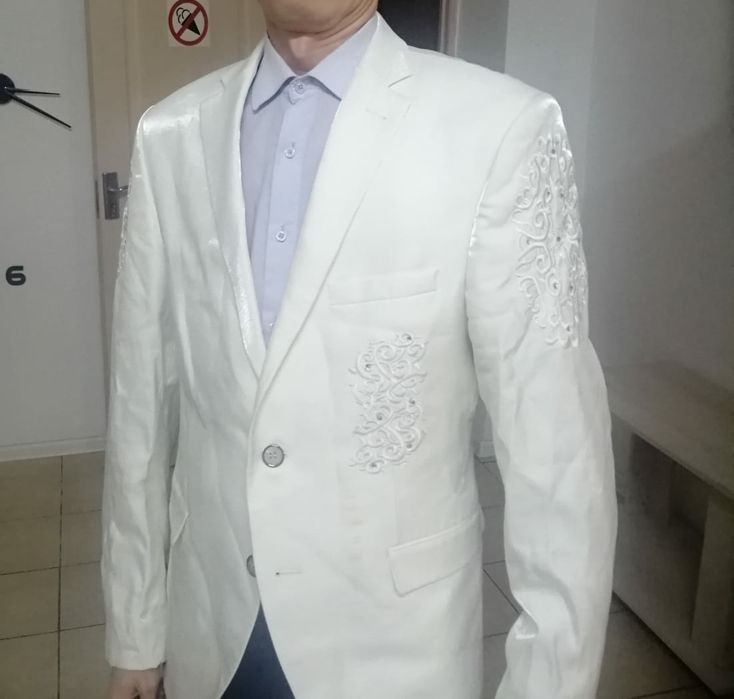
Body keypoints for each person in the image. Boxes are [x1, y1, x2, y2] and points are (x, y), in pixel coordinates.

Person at [101, 1, 618, 697]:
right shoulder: (171, 133)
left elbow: (557, 453)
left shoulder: (497, 128)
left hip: (395, 645)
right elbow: (139, 402)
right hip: (213, 625)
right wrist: (135, 627)